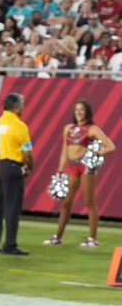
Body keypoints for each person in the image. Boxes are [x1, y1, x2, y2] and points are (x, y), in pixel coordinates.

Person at [43, 100, 115, 247]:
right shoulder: (68, 128)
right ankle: (57, 237)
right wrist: (60, 171)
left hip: (85, 167)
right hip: (71, 166)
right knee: (66, 203)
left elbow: (110, 146)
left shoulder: (92, 129)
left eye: (82, 110)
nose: (79, 113)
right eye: (76, 110)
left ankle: (93, 239)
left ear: (87, 112)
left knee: (89, 201)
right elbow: (64, 151)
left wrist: (96, 153)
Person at [0, 93, 34, 255]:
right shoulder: (20, 126)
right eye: (22, 104)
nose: (23, 107)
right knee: (12, 208)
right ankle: (10, 245)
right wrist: (29, 166)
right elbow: (27, 152)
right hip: (13, 168)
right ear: (16, 107)